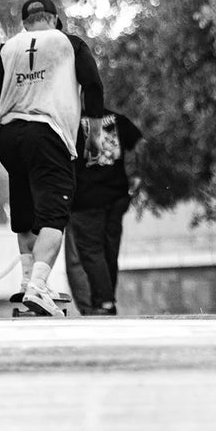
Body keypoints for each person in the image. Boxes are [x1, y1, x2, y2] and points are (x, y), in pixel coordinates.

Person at [0, 0, 105, 316]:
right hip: (47, 135)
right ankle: (39, 287)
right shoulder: (68, 42)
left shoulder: (9, 48)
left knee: (25, 212)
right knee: (54, 215)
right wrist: (95, 136)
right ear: (55, 21)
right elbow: (93, 85)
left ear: (25, 24)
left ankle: (28, 280)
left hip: (9, 138)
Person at [68, 108, 143, 316]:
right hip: (115, 196)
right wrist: (135, 174)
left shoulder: (70, 122)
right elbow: (137, 144)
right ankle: (106, 299)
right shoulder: (117, 119)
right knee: (110, 249)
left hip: (86, 199)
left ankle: (104, 301)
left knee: (91, 251)